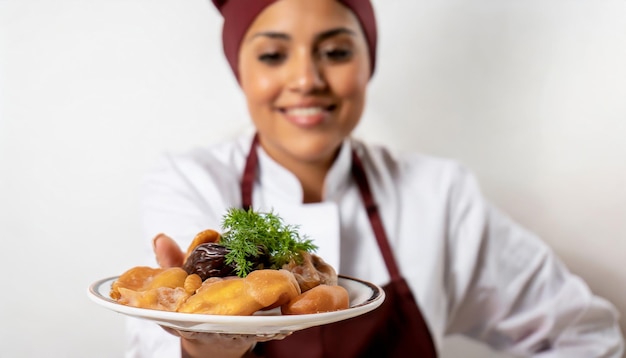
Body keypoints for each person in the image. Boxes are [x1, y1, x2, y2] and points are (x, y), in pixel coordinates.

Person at [126, 0, 625, 357]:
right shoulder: (189, 180)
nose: (306, 79)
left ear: (368, 64)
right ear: (241, 69)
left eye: (336, 52)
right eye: (273, 55)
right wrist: (201, 346)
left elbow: (585, 335)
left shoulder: (439, 194)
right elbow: (157, 343)